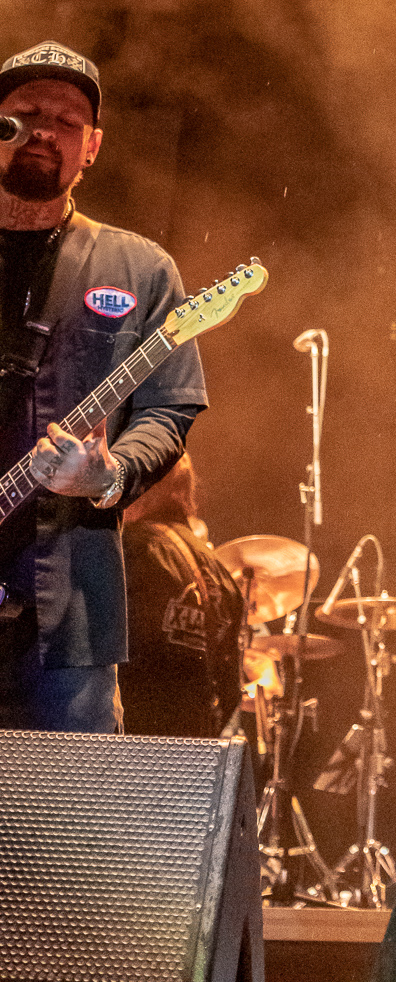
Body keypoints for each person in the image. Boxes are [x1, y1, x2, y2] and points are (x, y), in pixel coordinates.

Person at [0, 40, 207, 732]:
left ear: (91, 147)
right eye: (27, 113)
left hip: (70, 613)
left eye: (67, 122)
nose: (44, 131)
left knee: (71, 796)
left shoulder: (138, 268)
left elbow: (168, 408)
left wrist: (108, 476)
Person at [120, 452, 245, 738]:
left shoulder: (130, 547)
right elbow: (230, 690)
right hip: (194, 747)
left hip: (130, 746)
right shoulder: (220, 573)